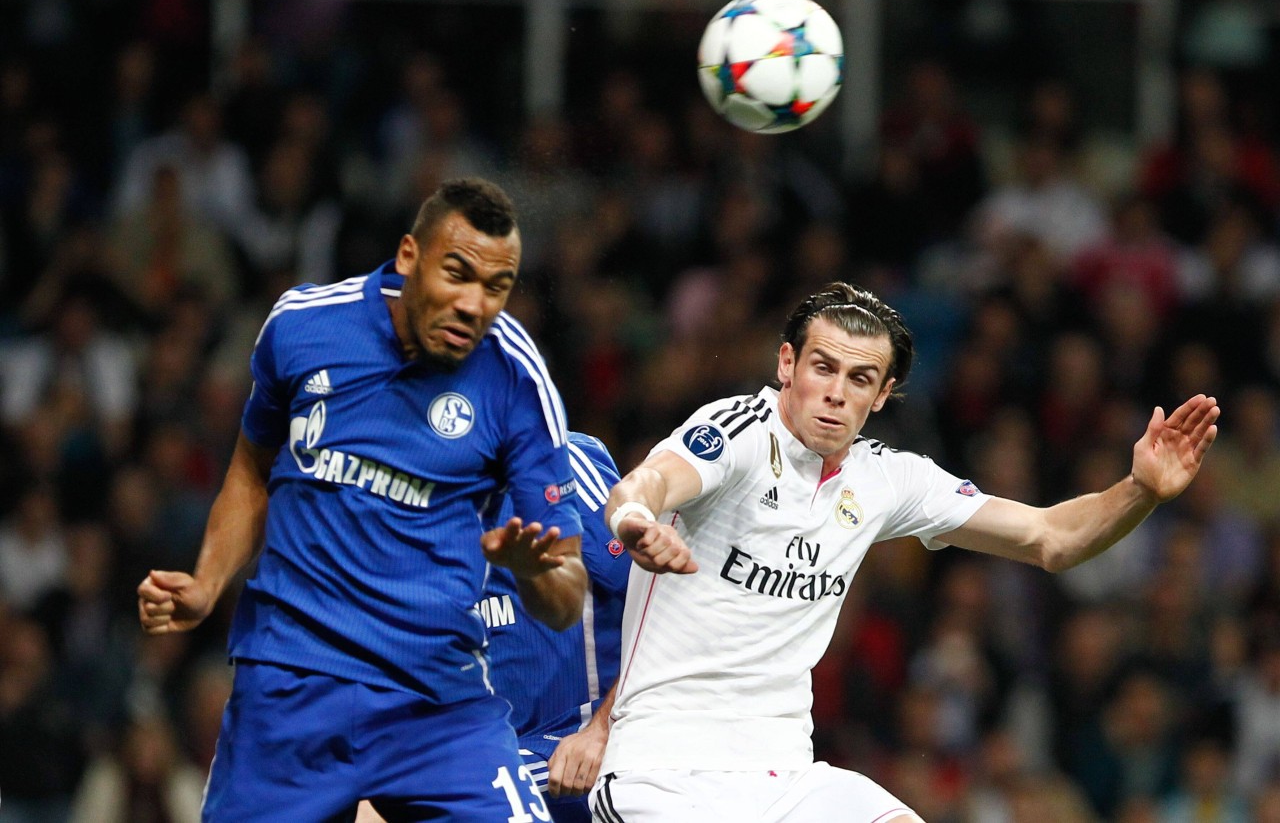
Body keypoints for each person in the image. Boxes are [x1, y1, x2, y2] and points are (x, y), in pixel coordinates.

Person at [596, 281, 1220, 823]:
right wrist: (634, 519)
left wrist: (1140, 491)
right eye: (823, 367)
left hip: (785, 776)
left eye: (860, 378)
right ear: (787, 364)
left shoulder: (888, 478)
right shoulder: (739, 431)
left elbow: (1051, 538)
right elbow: (649, 481)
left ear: (883, 393)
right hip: (663, 773)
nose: (837, 392)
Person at [137, 177, 588, 822]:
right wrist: (208, 583)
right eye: (457, 273)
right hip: (290, 686)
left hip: (438, 703)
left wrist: (535, 569)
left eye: (496, 287)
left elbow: (567, 597)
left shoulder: (515, 375)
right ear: (409, 257)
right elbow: (251, 467)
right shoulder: (303, 325)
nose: (473, 304)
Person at [484, 431, 631, 822]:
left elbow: (667, 600)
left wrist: (604, 728)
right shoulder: (395, 494)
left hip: (566, 752)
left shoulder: (559, 467)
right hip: (477, 748)